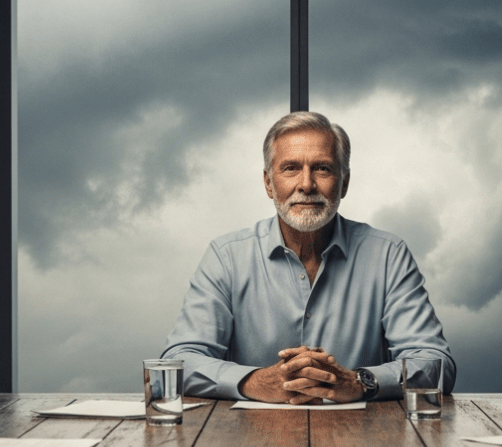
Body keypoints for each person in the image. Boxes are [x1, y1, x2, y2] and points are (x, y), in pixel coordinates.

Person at [161, 111, 455, 404]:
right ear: (268, 183)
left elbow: (435, 363)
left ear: (344, 183)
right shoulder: (226, 257)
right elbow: (178, 361)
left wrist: (361, 381)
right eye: (290, 168)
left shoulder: (388, 255)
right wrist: (255, 381)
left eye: (323, 169)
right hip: (249, 442)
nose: (306, 184)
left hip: (363, 444)